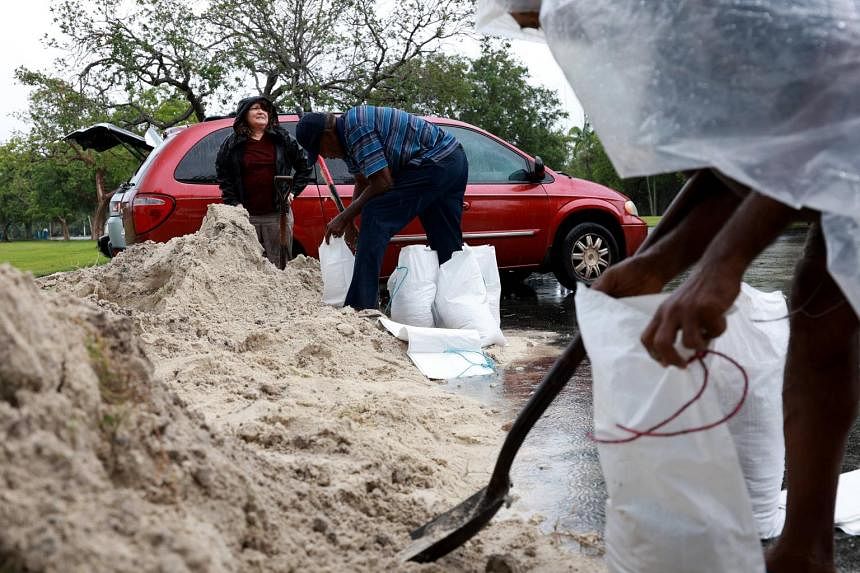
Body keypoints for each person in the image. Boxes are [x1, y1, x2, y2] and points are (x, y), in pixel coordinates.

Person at [498, 5, 859, 573]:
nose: (532, 28)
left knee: (828, 286)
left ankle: (803, 551)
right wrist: (652, 265)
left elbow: (830, 116)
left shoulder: (719, 15)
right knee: (824, 299)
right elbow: (738, 163)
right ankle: (804, 552)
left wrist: (724, 264)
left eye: (539, 17)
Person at [294, 106, 468, 310]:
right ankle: (460, 304)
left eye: (320, 148)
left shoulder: (356, 128)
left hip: (437, 161)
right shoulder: (347, 140)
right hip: (453, 159)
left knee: (376, 214)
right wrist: (349, 222)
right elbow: (362, 181)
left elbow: (382, 182)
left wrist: (343, 217)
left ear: (327, 135)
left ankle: (361, 306)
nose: (326, 155)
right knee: (444, 237)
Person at [216, 96, 314, 266]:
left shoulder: (282, 139)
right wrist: (233, 203)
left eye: (265, 109)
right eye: (255, 108)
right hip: (246, 218)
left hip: (277, 216)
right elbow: (223, 174)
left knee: (279, 265)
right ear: (244, 114)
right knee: (248, 266)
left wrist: (292, 192)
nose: (261, 111)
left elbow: (305, 166)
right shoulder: (232, 143)